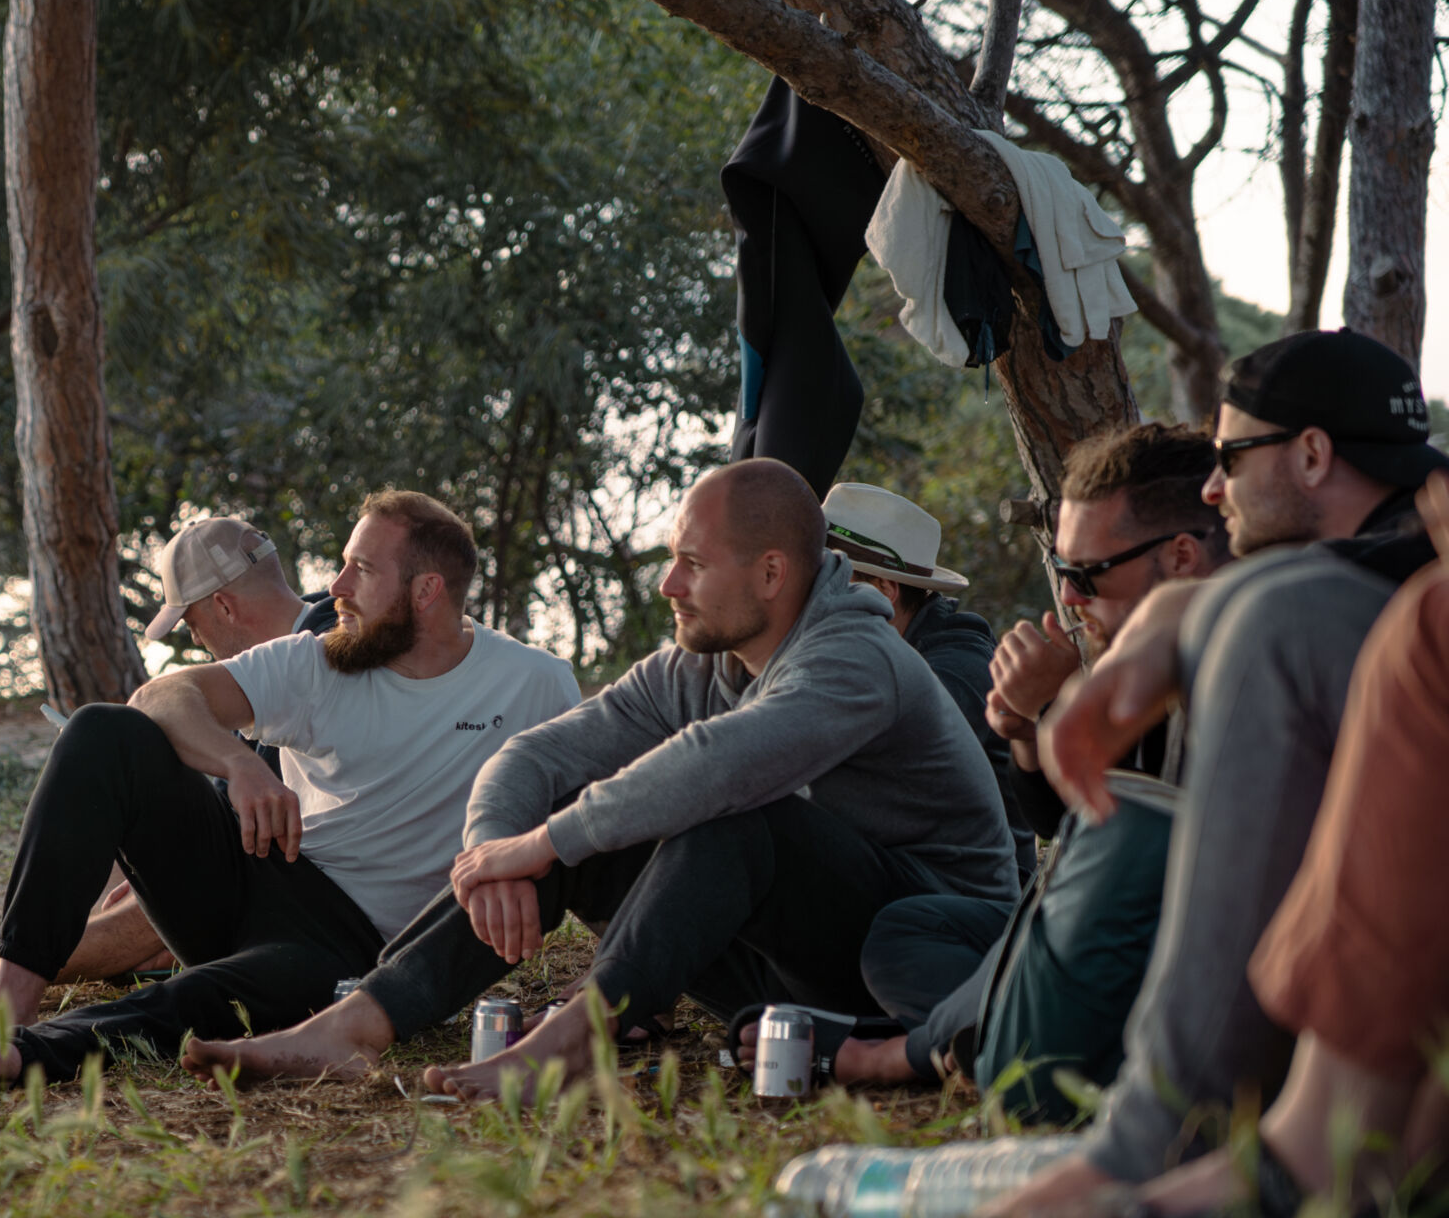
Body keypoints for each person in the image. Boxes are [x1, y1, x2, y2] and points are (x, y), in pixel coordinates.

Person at [184, 459, 1016, 1092]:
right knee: (572, 813)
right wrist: (496, 848)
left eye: (693, 563)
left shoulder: (854, 658)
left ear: (771, 574)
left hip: (925, 947)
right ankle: (357, 1024)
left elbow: (720, 764)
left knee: (732, 817)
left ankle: (579, 1035)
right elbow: (537, 754)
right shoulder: (703, 663)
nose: (668, 583)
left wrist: (546, 841)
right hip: (790, 967)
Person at [931, 328, 1445, 1218]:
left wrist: (1183, 616)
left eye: (1230, 459)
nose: (1214, 489)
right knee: (915, 942)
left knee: (1275, 617)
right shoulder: (1356, 578)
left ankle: (1153, 1142)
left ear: (1314, 455)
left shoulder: (1320, 598)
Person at [0, 490, 580, 1097]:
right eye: (342, 562)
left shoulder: (535, 683)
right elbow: (162, 695)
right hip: (262, 872)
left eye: (361, 570)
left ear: (426, 591)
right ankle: (5, 1005)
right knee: (102, 732)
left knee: (196, 1000)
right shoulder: (319, 659)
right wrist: (240, 766)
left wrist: (604, 978)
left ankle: (1, 1060)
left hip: (353, 949)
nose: (335, 584)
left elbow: (589, 817)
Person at [772, 425, 1231, 1104]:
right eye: (1063, 572)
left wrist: (1053, 708)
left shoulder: (1241, 661)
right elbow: (1061, 824)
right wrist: (1027, 728)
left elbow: (1120, 867)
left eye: (1085, 574)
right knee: (911, 932)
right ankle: (968, 1032)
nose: (1067, 598)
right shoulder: (1141, 656)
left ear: (1183, 556)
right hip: (1069, 927)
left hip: (1172, 959)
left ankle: (930, 1048)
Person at [0, 516, 337, 1017]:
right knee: (108, 793)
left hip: (311, 911)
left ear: (225, 607)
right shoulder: (253, 677)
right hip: (252, 880)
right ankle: (5, 972)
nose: (195, 642)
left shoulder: (328, 656)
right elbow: (168, 720)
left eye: (191, 624)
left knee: (140, 895)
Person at [822, 482, 1035, 885]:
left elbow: (863, 761)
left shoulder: (958, 671)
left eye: (828, 580)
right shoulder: (886, 656)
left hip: (964, 900)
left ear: (882, 591)